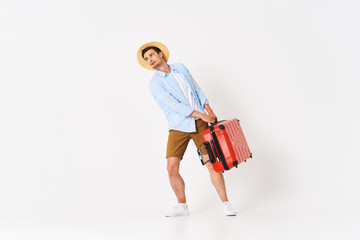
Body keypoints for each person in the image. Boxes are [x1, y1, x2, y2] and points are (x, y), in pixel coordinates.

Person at [137, 41, 236, 217]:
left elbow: (196, 89)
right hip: (178, 127)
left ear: (160, 54)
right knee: (171, 168)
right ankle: (182, 206)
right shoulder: (155, 84)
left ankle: (226, 203)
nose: (149, 60)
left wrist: (209, 110)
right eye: (146, 58)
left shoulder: (180, 68)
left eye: (151, 55)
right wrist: (202, 115)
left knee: (213, 164)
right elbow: (174, 105)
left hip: (200, 125)